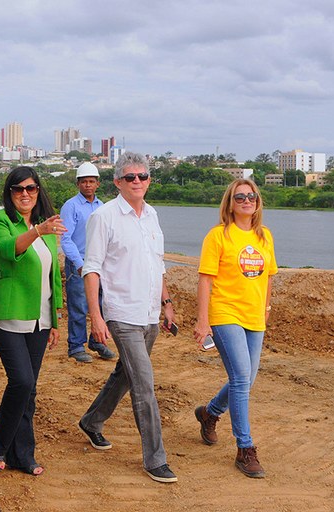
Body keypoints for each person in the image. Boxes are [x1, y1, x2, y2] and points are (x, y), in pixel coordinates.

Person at [77, 152, 178, 484]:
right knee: (144, 383)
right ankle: (155, 459)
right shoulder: (104, 217)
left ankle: (92, 420)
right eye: (130, 177)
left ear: (149, 180)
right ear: (118, 182)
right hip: (121, 313)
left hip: (149, 313)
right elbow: (91, 269)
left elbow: (157, 265)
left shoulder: (152, 215)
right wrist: (96, 317)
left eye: (142, 176)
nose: (137, 181)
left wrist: (166, 303)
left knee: (126, 374)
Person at [0, 166, 65, 476]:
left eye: (30, 188)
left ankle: (23, 454)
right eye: (18, 189)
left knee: (28, 391)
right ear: (10, 193)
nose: (25, 194)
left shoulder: (46, 226)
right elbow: (7, 249)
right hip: (7, 316)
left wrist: (55, 318)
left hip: (39, 319)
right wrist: (36, 232)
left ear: (38, 191)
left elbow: (53, 276)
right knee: (21, 381)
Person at [193, 179, 277, 478]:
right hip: (225, 313)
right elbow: (205, 279)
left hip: (254, 317)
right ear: (230, 203)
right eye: (239, 197)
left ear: (258, 201)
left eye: (251, 196)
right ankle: (245, 448)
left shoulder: (265, 236)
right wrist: (203, 321)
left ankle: (209, 413)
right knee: (241, 377)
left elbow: (268, 277)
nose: (246, 200)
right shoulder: (218, 235)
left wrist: (266, 310)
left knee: (247, 379)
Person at [60, 162, 115, 363]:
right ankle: (76, 346)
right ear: (78, 184)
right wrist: (79, 263)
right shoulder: (71, 206)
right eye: (84, 182)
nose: (88, 185)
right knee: (79, 306)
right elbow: (66, 239)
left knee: (100, 304)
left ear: (98, 183)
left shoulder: (103, 207)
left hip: (99, 264)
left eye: (92, 181)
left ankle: (97, 341)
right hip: (79, 264)